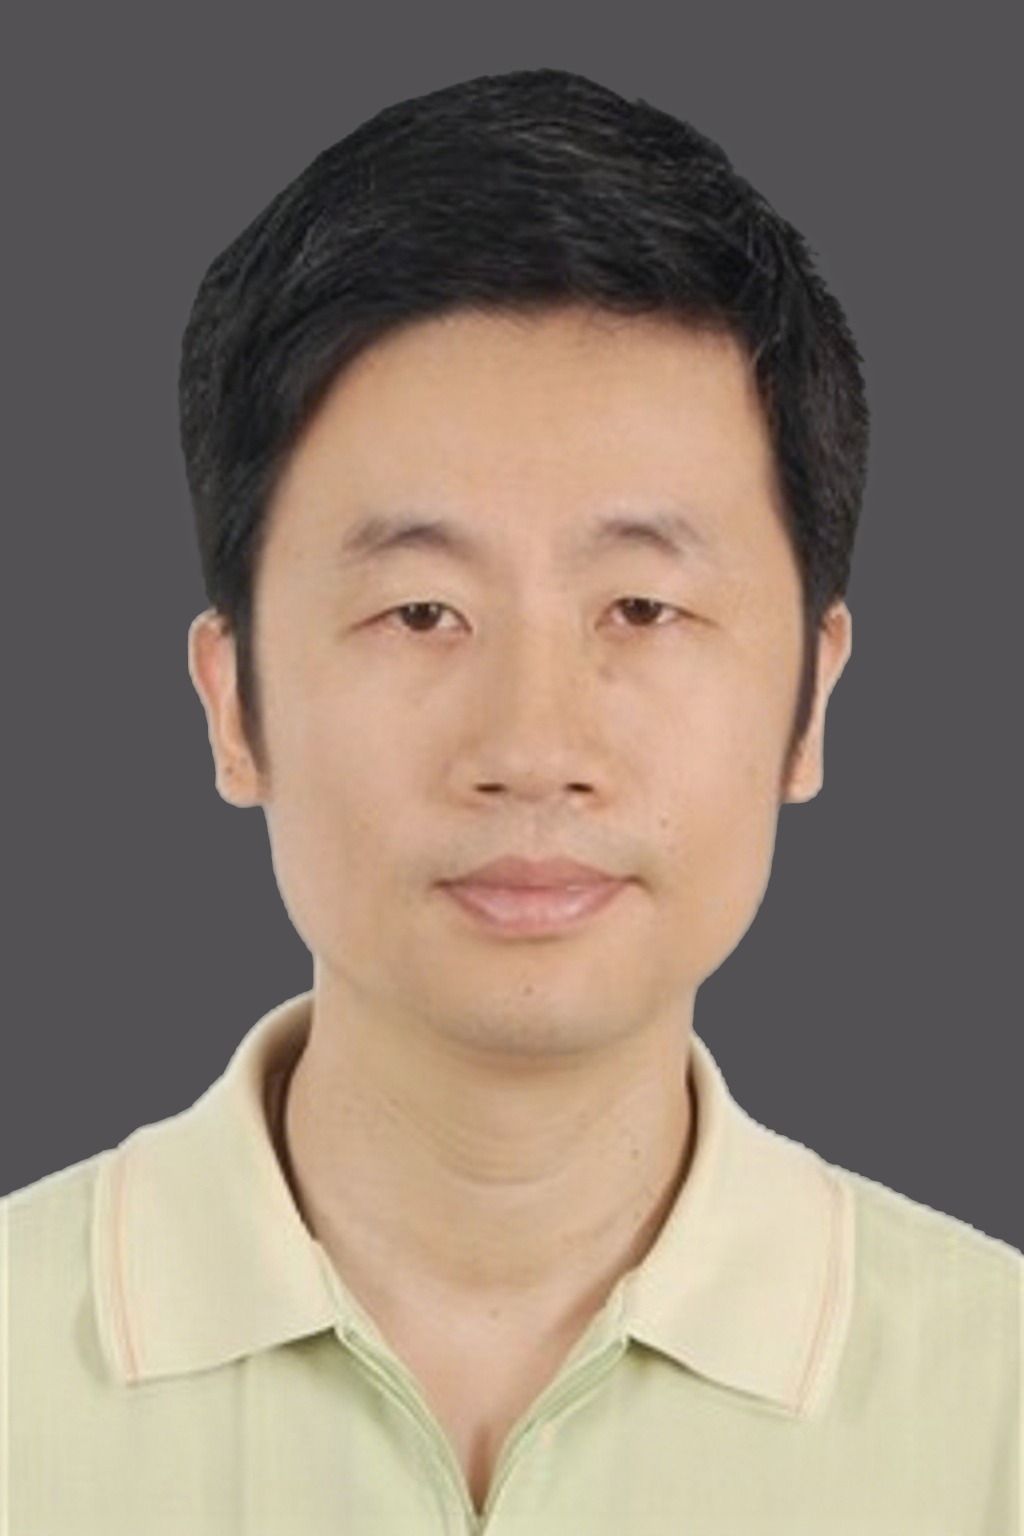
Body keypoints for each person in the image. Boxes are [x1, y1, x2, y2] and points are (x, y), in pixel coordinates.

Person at [2, 67, 1018, 1534]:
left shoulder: (996, 1409)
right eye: (422, 612)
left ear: (812, 694)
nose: (534, 747)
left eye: (643, 609)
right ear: (233, 704)